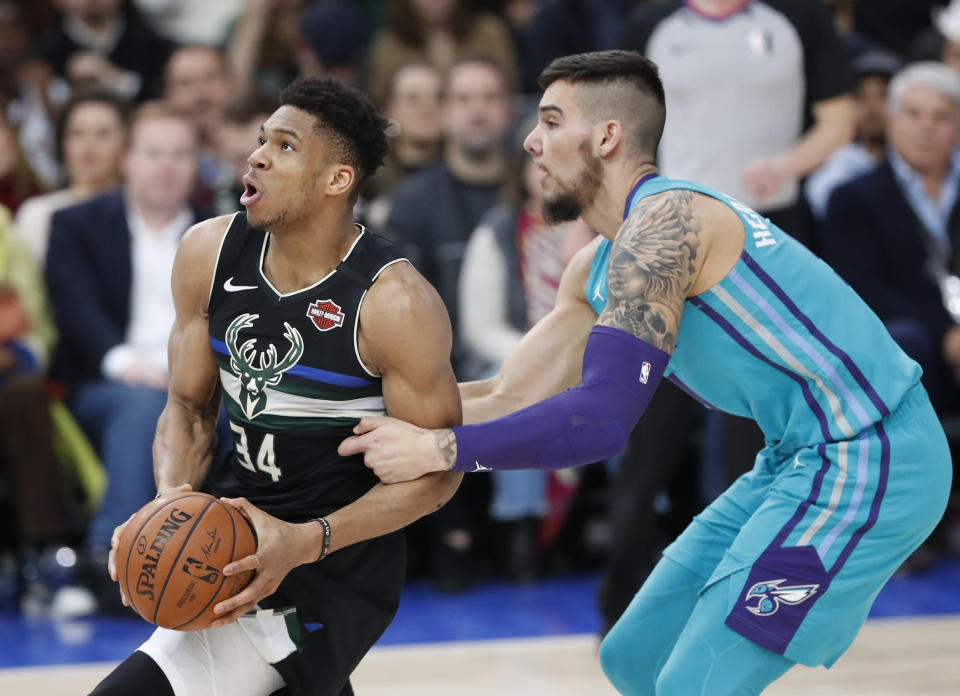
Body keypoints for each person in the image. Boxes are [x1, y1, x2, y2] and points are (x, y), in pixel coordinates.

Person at [339, 50, 951, 694]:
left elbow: (599, 421)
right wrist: (348, 412)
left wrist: (440, 449)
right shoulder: (598, 265)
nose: (530, 141)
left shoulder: (670, 226)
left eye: (549, 121)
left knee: (695, 684)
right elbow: (503, 393)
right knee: (634, 658)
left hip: (873, 455)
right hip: (796, 459)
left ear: (606, 137)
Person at [89, 76, 462, 696]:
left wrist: (303, 541)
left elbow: (437, 473)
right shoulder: (209, 252)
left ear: (336, 181)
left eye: (285, 146)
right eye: (261, 140)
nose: (256, 155)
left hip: (338, 560)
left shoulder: (394, 303)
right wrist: (171, 499)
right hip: (232, 535)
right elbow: (186, 408)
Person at [45, 101, 209, 613]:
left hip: (204, 386)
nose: (166, 166)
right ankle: (107, 560)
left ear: (197, 165)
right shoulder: (76, 224)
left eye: (180, 154)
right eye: (154, 153)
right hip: (106, 383)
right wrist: (124, 364)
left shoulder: (225, 233)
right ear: (128, 161)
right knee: (143, 407)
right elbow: (75, 310)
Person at [821, 62, 960, 413]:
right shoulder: (852, 198)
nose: (926, 127)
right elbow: (863, 291)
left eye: (941, 116)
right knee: (903, 339)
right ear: (891, 121)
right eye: (914, 114)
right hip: (913, 346)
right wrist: (946, 335)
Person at [14, 89, 128, 265]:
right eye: (77, 133)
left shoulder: (139, 215)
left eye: (103, 133)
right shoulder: (37, 214)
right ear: (63, 143)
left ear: (127, 144)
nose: (88, 144)